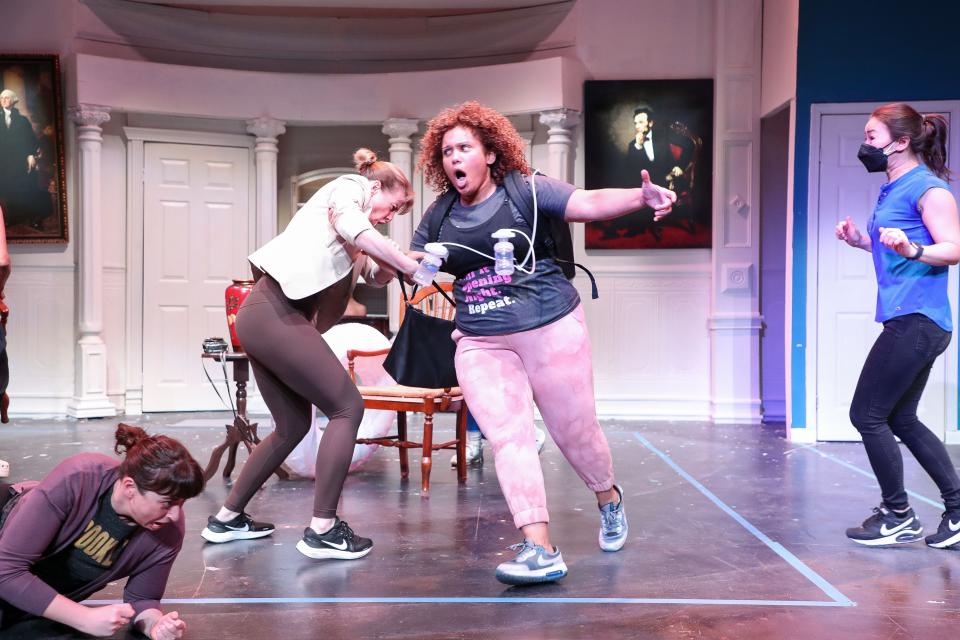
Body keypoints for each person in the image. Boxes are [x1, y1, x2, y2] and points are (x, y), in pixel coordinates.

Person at [412, 101, 675, 585]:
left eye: (464, 147)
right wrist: (371, 247)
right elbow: (415, 264)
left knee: (575, 433)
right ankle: (539, 547)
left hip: (549, 323)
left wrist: (641, 198)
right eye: (447, 151)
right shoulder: (441, 214)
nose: (454, 158)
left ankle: (608, 498)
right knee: (509, 439)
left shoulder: (527, 189)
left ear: (489, 154)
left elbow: (587, 203)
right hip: (480, 338)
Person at [201, 149, 420, 561]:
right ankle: (324, 529)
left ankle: (227, 518)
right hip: (274, 312)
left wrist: (409, 260)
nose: (390, 216)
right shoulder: (349, 188)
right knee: (347, 406)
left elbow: (376, 274)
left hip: (264, 318)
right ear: (375, 187)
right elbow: (355, 227)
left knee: (292, 425)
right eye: (393, 206)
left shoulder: (356, 239)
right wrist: (404, 263)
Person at [835, 102, 960, 549]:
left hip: (918, 321)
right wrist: (862, 242)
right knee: (901, 418)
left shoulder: (929, 190)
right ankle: (957, 513)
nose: (865, 145)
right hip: (910, 319)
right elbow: (896, 245)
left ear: (901, 142)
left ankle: (898, 514)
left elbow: (952, 249)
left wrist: (911, 251)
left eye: (872, 137)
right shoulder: (893, 187)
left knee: (866, 415)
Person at [0, 423, 204, 638]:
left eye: (180, 503)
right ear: (129, 487)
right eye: (167, 502)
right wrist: (84, 618)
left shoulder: (168, 532)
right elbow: (6, 570)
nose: (174, 515)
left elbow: (143, 599)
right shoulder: (78, 477)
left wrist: (155, 624)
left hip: (28, 598)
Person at [0, 89, 39, 226]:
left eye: (7, 98)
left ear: (14, 100)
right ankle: (7, 218)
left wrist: (30, 155)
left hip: (17, 160)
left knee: (23, 186)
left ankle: (27, 216)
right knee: (4, 188)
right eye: (2, 98)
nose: (4, 100)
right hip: (2, 161)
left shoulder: (22, 120)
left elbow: (30, 139)